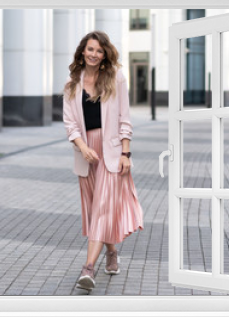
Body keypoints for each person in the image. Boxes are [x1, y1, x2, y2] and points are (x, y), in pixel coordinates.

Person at [62, 31, 144, 291]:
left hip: (110, 152)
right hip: (86, 153)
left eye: (99, 50)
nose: (94, 54)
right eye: (90, 49)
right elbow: (70, 123)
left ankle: (88, 269)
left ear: (104, 53)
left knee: (102, 209)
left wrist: (126, 152)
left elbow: (125, 118)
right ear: (82, 51)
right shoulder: (72, 83)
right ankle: (111, 251)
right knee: (94, 209)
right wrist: (83, 147)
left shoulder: (116, 78)